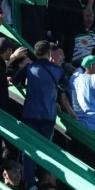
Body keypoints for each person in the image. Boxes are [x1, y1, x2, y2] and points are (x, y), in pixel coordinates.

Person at [12, 41, 75, 182]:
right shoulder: (58, 70)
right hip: (48, 116)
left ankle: (29, 184)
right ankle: (44, 182)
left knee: (28, 151)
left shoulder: (29, 68)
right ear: (49, 53)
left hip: (29, 115)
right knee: (46, 150)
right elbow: (67, 86)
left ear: (35, 52)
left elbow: (15, 81)